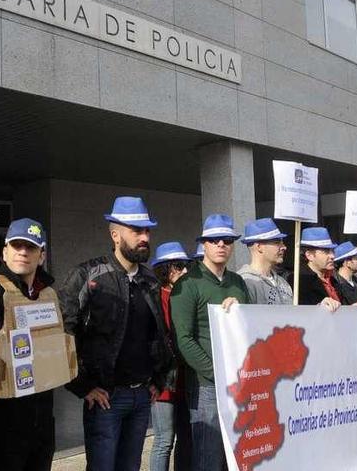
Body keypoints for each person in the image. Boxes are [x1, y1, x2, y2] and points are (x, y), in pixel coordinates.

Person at [59, 196, 174, 471]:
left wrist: (158, 379)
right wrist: (82, 386)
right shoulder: (88, 275)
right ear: (115, 234)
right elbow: (63, 332)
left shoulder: (150, 281)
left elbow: (159, 334)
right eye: (136, 231)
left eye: (147, 230)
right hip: (105, 399)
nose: (144, 237)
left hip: (142, 397)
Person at [0, 218, 71, 471]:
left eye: (30, 247)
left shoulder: (48, 295)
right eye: (16, 245)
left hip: (40, 429)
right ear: (4, 251)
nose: (22, 252)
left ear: (41, 256)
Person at [170, 214, 249, 471]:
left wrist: (241, 310)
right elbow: (184, 339)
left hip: (239, 383)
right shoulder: (187, 284)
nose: (221, 245)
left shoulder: (237, 282)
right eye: (214, 240)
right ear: (204, 244)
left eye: (227, 240)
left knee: (237, 457)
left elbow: (248, 327)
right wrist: (216, 372)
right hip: (206, 386)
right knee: (208, 458)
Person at [149, 242, 192, 471]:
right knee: (165, 440)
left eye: (185, 265)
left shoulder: (184, 295)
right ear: (166, 269)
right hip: (163, 381)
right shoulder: (154, 297)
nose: (184, 271)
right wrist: (152, 379)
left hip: (185, 379)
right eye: (178, 266)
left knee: (186, 437)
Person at [237, 218, 293, 305]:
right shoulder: (244, 282)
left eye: (282, 242)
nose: (284, 247)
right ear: (259, 247)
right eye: (277, 242)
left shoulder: (283, 283)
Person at [295, 227, 343, 310]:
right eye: (326, 252)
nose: (332, 256)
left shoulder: (334, 280)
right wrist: (319, 307)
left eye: (332, 251)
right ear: (309, 255)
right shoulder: (299, 282)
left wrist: (353, 309)